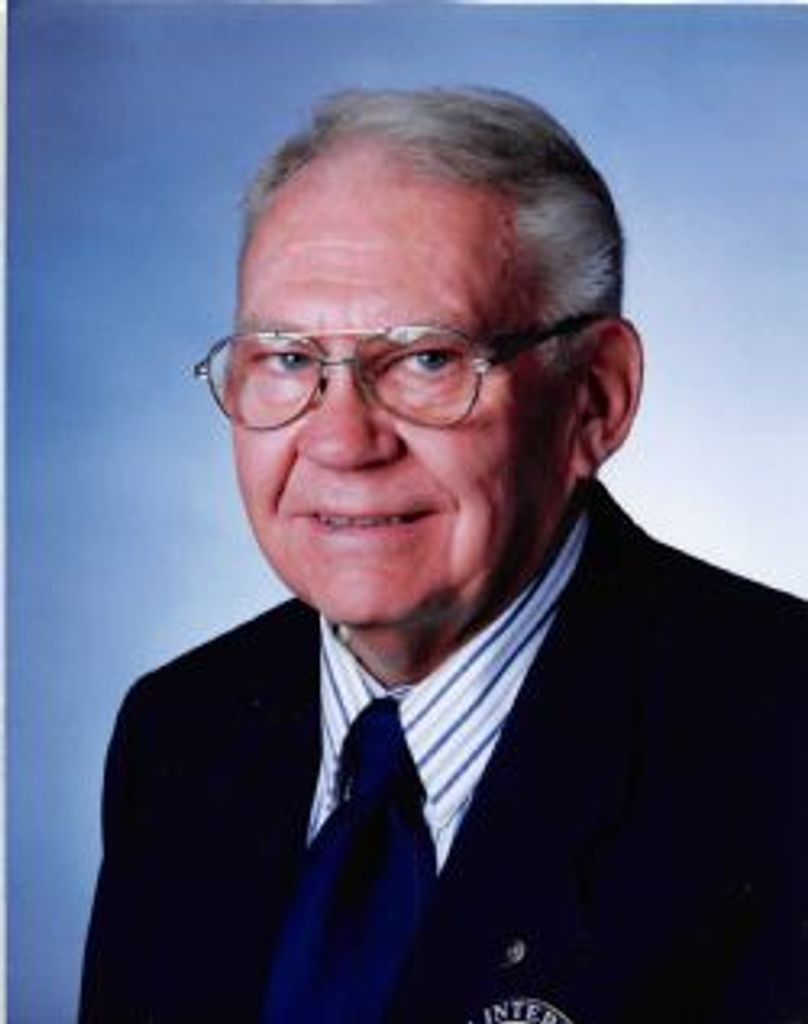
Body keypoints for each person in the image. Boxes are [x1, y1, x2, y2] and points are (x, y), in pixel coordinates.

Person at [79, 87, 807, 1024]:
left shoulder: (782, 743)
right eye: (288, 359)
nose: (341, 441)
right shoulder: (180, 733)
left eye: (429, 358)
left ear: (596, 399)